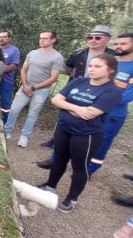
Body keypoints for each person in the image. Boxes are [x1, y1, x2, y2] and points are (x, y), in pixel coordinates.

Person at [37, 33, 133, 179]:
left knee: (100, 143)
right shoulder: (110, 61)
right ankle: (54, 160)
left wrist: (100, 102)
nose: (118, 46)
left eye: (123, 44)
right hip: (87, 106)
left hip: (112, 114)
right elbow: (89, 82)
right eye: (117, 44)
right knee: (67, 132)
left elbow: (128, 94)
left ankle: (87, 170)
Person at [36, 54, 121, 213]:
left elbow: (92, 113)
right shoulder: (79, 81)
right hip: (63, 128)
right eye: (90, 66)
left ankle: (72, 198)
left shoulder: (112, 91)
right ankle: (50, 186)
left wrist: (66, 106)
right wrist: (78, 109)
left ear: (110, 70)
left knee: (79, 167)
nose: (91, 69)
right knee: (58, 159)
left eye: (97, 66)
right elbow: (56, 100)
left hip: (86, 134)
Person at [40, 24, 115, 148]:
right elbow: (69, 68)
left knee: (91, 117)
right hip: (75, 90)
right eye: (90, 37)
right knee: (64, 116)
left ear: (107, 39)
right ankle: (56, 141)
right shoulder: (78, 53)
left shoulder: (114, 56)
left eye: (98, 38)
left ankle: (86, 145)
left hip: (99, 92)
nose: (93, 40)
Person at [4, 30, 64, 147]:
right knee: (14, 109)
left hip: (41, 90)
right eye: (40, 38)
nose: (42, 40)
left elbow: (53, 78)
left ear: (53, 40)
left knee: (33, 113)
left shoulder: (57, 57)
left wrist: (33, 87)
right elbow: (24, 69)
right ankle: (6, 131)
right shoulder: (32, 53)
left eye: (45, 38)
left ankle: (24, 136)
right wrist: (25, 85)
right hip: (25, 87)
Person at [0, 30, 21, 124]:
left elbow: (13, 66)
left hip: (6, 81)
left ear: (9, 38)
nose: (1, 39)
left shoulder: (14, 50)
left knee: (5, 104)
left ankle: (5, 124)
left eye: (4, 37)